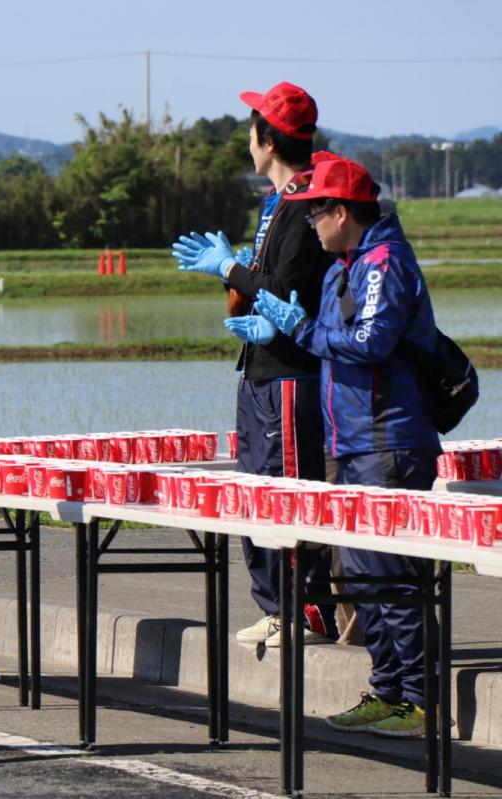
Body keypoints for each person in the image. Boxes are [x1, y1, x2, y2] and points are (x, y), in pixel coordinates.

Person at [234, 156, 441, 737]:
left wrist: (299, 330)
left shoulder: (384, 263)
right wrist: (286, 327)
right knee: (359, 573)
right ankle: (386, 687)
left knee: (392, 575)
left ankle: (418, 698)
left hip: (388, 441)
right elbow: (328, 338)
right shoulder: (340, 266)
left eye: (317, 211)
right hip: (350, 440)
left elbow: (369, 343)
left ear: (341, 211)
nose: (312, 223)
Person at [172, 81, 337, 647]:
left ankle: (304, 608)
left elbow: (286, 290)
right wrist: (238, 270)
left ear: (266, 139)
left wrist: (231, 270)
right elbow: (266, 283)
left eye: (251, 129)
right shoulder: (277, 202)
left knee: (288, 488)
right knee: (257, 488)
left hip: (291, 375)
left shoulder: (301, 205)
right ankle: (277, 606)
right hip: (261, 371)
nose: (249, 139)